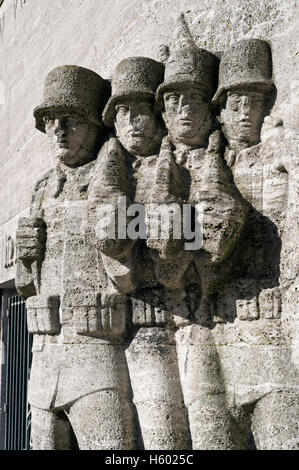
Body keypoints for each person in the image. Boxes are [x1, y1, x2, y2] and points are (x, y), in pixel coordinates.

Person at [15, 65, 136, 450]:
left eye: (72, 120)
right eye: (52, 120)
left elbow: (135, 272)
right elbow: (25, 284)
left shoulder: (119, 177)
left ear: (93, 125)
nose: (59, 130)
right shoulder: (40, 191)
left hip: (96, 354)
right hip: (46, 358)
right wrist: (25, 258)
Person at [213, 39, 299, 450]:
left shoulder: (277, 153)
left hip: (271, 334)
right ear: (222, 112)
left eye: (254, 102)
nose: (246, 112)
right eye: (235, 103)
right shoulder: (211, 167)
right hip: (216, 336)